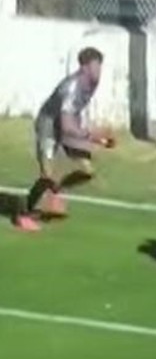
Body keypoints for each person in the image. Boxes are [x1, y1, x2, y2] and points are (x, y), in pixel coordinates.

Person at [13, 47, 112, 232]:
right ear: (84, 67)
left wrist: (93, 135)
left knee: (87, 171)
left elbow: (73, 115)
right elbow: (67, 126)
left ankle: (56, 188)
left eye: (100, 66)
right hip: (49, 127)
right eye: (95, 66)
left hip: (69, 124)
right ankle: (23, 215)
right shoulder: (71, 88)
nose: (99, 71)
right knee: (46, 175)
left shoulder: (93, 82)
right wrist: (93, 137)